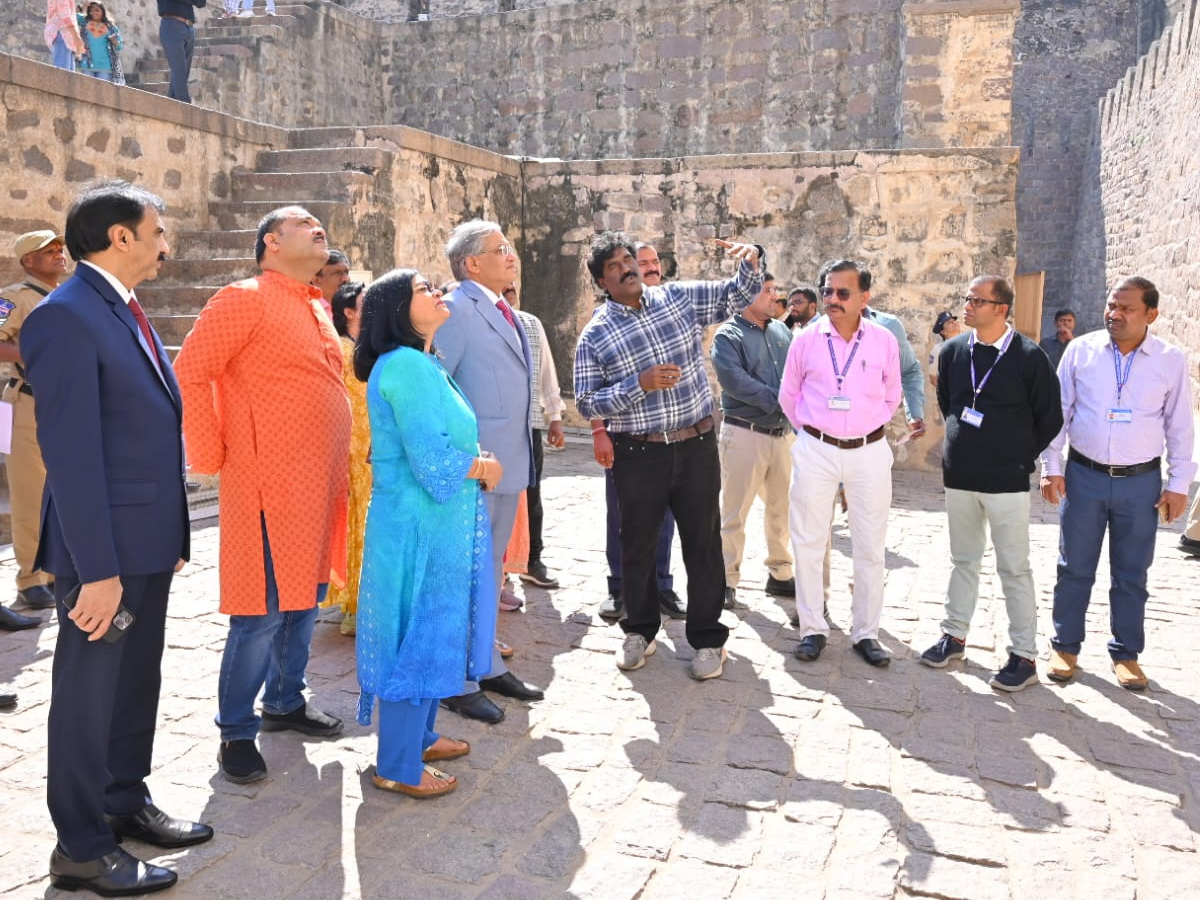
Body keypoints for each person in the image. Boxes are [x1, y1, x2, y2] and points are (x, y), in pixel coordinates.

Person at [22, 180, 211, 896]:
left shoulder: (120, 307)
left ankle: (122, 799)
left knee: (136, 683)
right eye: (157, 230)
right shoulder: (65, 316)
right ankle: (81, 845)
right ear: (120, 237)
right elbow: (71, 456)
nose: (165, 243)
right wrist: (97, 571)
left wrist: (169, 531)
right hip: (101, 551)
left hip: (143, 539)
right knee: (88, 697)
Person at [174, 206, 351, 783]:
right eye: (304, 224)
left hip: (318, 483)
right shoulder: (243, 297)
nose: (319, 228)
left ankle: (284, 701)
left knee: (305, 600)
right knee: (262, 613)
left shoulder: (314, 303)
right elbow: (190, 372)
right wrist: (212, 455)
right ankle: (235, 730)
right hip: (268, 484)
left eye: (320, 224)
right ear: (272, 242)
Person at [575, 231, 765, 680]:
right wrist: (637, 385)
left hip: (696, 444)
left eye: (628, 259)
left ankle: (708, 639)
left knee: (703, 544)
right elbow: (585, 402)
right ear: (602, 282)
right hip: (638, 452)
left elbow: (736, 295)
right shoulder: (596, 335)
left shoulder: (678, 298)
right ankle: (639, 630)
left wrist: (751, 260)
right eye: (614, 266)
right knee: (637, 546)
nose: (627, 268)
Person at [353, 270, 494, 799]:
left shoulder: (423, 361)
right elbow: (432, 461)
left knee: (434, 629)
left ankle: (420, 739)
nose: (436, 293)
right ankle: (397, 764)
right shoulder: (407, 365)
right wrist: (484, 468)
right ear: (397, 310)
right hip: (417, 526)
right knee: (416, 636)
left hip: (432, 523)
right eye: (422, 290)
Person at [1040, 276, 1194, 691]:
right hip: (1084, 477)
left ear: (1151, 315)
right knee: (1073, 567)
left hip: (1140, 485)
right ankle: (1065, 646)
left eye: (1127, 308)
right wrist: (1051, 465)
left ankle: (1126, 654)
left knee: (1131, 573)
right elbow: (1058, 412)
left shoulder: (1169, 360)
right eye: (1112, 305)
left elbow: (1180, 425)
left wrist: (1179, 483)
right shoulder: (1081, 350)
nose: (1115, 314)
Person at [918, 276, 1062, 691]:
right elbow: (950, 403)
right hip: (961, 476)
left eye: (977, 301)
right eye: (967, 298)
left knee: (1013, 568)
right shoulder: (953, 351)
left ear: (1001, 309)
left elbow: (1050, 417)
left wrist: (1015, 455)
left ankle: (1024, 656)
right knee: (963, 559)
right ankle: (954, 636)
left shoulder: (1030, 357)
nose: (967, 306)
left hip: (1006, 480)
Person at [435, 220, 546, 724]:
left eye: (510, 246)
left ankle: (484, 663)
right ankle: (455, 680)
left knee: (490, 572)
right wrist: (462, 459)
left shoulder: (504, 309)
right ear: (472, 263)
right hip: (476, 469)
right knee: (464, 575)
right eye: (500, 249)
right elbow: (439, 388)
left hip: (507, 463)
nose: (511, 255)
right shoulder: (456, 309)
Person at [780, 259, 901, 668]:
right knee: (809, 542)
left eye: (842, 293)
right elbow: (789, 396)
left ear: (864, 298)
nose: (832, 299)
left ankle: (866, 633)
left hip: (869, 451)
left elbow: (892, 396)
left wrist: (862, 429)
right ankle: (812, 628)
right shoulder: (805, 340)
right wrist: (815, 434)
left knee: (870, 546)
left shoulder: (884, 340)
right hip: (816, 449)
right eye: (827, 291)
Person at [593, 240, 684, 623]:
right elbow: (594, 386)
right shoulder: (604, 322)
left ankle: (661, 585)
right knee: (623, 516)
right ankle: (620, 589)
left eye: (653, 261)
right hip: (627, 438)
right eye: (641, 262)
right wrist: (598, 432)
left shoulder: (673, 312)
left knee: (666, 516)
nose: (649, 267)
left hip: (671, 438)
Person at [711, 272, 795, 612]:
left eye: (776, 289)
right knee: (735, 512)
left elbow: (796, 374)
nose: (775, 296)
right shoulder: (727, 336)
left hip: (783, 435)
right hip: (744, 434)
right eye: (768, 290)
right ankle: (725, 579)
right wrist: (784, 401)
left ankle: (781, 573)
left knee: (781, 509)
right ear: (747, 294)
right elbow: (735, 382)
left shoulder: (782, 332)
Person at [1, 231, 71, 620]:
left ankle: (55, 571)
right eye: (48, 251)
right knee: (30, 496)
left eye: (60, 249)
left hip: (62, 405)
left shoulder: (68, 295)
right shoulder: (11, 298)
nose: (59, 255)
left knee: (61, 493)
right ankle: (30, 581)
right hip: (22, 404)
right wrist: (33, 352)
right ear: (28, 261)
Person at [507, 282, 566, 590]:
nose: (509, 292)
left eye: (512, 288)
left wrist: (555, 417)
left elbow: (546, 372)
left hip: (528, 425)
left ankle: (532, 559)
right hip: (491, 428)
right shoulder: (474, 324)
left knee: (531, 494)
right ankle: (499, 566)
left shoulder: (530, 324)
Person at [325, 281, 369, 637]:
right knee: (355, 525)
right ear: (348, 311)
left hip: (373, 448)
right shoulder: (340, 348)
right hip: (349, 449)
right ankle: (354, 604)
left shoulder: (369, 347)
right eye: (363, 303)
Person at [158, 0, 207, 104]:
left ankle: (170, 107)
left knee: (182, 74)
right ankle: (187, 108)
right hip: (172, 25)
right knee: (179, 72)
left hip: (189, 28)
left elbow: (201, 3)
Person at [77, 3, 123, 84]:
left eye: (97, 10)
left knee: (102, 90)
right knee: (87, 89)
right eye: (91, 10)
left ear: (103, 11)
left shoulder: (111, 28)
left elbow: (119, 47)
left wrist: (114, 41)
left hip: (104, 67)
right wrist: (85, 6)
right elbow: (72, 16)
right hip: (86, 65)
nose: (94, 13)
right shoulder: (84, 21)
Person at [45, 0, 83, 72]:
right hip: (63, 34)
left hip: (66, 35)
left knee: (68, 75)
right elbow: (65, 14)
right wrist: (76, 36)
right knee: (63, 73)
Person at [928, 310, 962, 390]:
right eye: (949, 322)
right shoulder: (938, 350)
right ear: (943, 332)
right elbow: (933, 378)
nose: (954, 323)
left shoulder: (970, 343)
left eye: (954, 321)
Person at [311, 248, 350, 314]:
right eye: (337, 273)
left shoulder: (354, 309)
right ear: (316, 280)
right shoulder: (308, 310)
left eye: (346, 272)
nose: (345, 278)